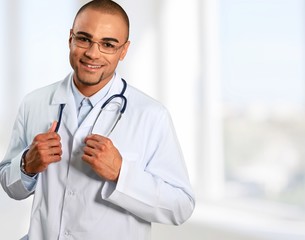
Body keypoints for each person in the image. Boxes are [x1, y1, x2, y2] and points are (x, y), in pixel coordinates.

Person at [0, 0, 195, 239]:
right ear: (70, 38)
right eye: (84, 39)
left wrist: (121, 173)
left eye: (108, 44)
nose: (92, 53)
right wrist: (26, 166)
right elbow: (11, 188)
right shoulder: (35, 103)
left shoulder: (151, 115)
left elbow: (181, 207)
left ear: (124, 50)